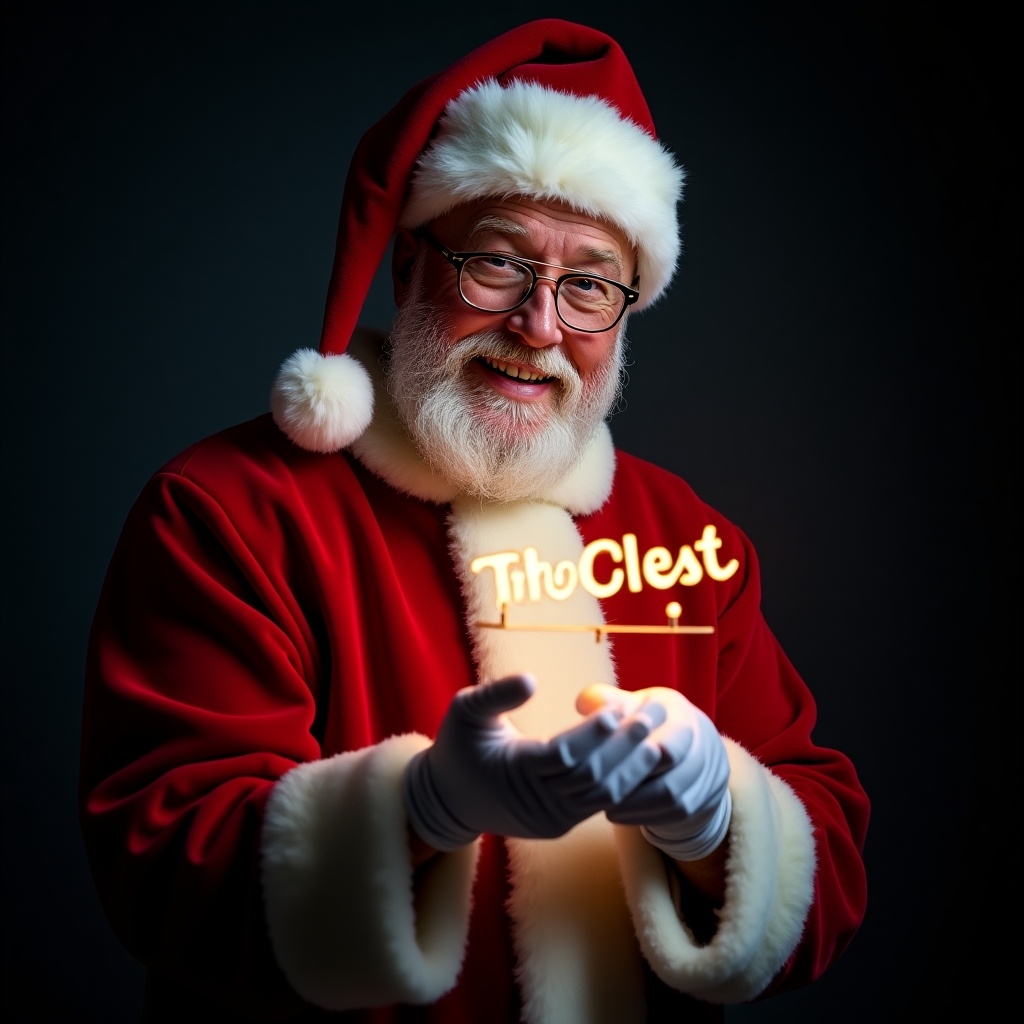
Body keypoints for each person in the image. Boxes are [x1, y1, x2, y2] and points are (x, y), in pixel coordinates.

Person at [79, 18, 869, 1024]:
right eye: (496, 264)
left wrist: (723, 818)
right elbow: (156, 866)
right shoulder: (228, 510)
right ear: (411, 263)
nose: (540, 327)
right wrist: (419, 809)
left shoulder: (687, 541)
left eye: (587, 283)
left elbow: (832, 883)